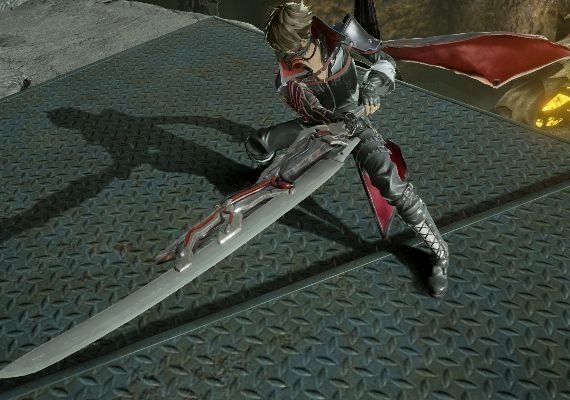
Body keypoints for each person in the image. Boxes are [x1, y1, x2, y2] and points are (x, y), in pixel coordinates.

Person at [245, 1, 449, 297]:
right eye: (282, 50)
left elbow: (384, 59)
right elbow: (311, 112)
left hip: (356, 120)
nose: (287, 56)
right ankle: (264, 163)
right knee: (260, 143)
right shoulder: (287, 77)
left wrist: (371, 87)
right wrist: (330, 124)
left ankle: (440, 252)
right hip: (320, 125)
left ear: (307, 34)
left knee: (392, 186)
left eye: (292, 47)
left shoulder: (344, 35)